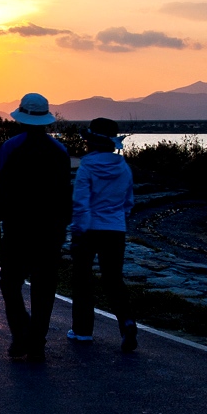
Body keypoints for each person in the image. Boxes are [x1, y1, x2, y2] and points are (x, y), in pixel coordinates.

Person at [0, 93, 72, 362]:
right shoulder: (59, 152)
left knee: (10, 283)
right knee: (44, 287)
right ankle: (37, 342)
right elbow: (64, 192)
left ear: (22, 119)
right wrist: (63, 226)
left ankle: (21, 332)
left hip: (17, 228)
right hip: (50, 230)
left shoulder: (11, 147)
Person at [68, 117, 138, 352]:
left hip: (89, 229)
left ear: (91, 142)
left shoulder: (87, 167)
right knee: (113, 279)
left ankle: (82, 330)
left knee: (82, 279)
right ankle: (127, 323)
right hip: (115, 229)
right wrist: (118, 218)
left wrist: (78, 230)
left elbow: (81, 203)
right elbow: (128, 202)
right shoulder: (123, 167)